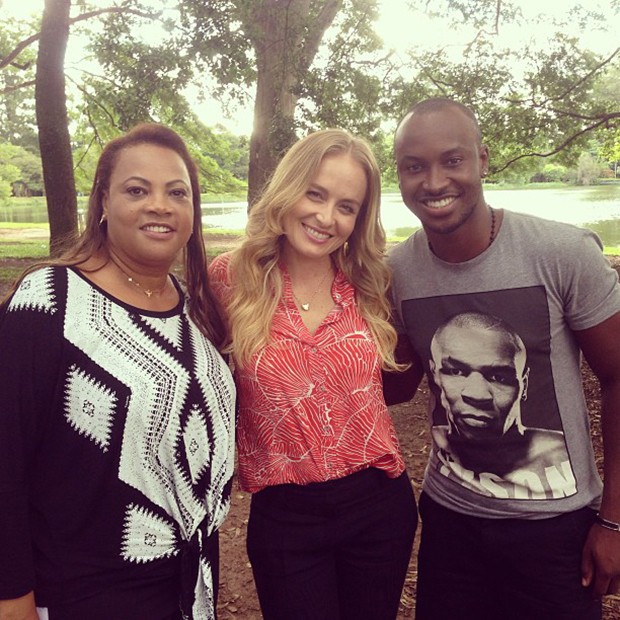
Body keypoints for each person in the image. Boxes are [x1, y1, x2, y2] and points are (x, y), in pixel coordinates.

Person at [386, 97, 620, 619]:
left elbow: (617, 377)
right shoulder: (396, 272)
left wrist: (613, 521)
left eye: (453, 160)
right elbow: (393, 386)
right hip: (451, 524)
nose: (434, 182)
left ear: (483, 160)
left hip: (556, 533)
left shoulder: (561, 253)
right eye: (413, 167)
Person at [0, 124, 236, 620]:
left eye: (177, 192)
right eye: (137, 190)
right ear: (103, 202)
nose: (160, 205)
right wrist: (11, 600)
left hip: (189, 590)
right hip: (84, 595)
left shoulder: (197, 310)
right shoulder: (51, 302)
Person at [208, 128, 417, 620]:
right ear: (287, 189)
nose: (327, 218)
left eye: (347, 206)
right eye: (315, 194)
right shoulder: (228, 279)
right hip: (286, 517)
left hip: (379, 506)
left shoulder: (372, 282)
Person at [429, 311, 571, 497]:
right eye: (455, 371)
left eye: (498, 377)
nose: (477, 395)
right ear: (435, 375)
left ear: (524, 384)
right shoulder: (442, 448)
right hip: (448, 512)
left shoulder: (558, 454)